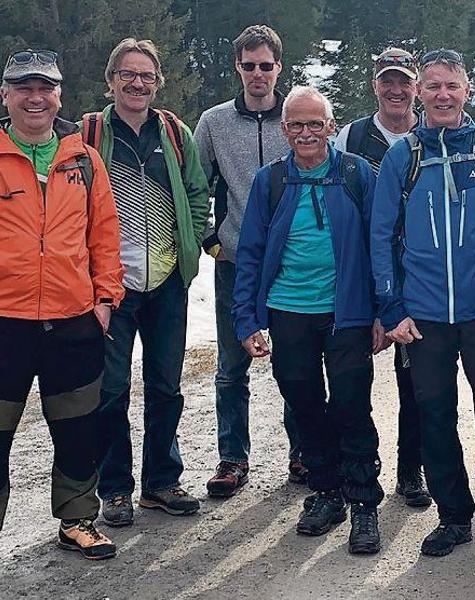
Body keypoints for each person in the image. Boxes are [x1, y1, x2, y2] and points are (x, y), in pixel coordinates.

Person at [369, 48, 475, 580]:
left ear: (467, 92)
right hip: (422, 318)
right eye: (434, 87)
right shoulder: (403, 156)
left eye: (453, 87)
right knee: (434, 416)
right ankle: (454, 517)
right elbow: (381, 236)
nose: (443, 96)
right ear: (420, 92)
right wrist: (391, 307)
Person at [233, 85, 385, 552]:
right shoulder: (270, 180)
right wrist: (245, 319)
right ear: (284, 129)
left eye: (314, 124)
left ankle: (363, 502)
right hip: (287, 310)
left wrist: (384, 310)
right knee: (302, 402)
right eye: (296, 125)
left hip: (348, 313)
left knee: (351, 404)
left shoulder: (360, 174)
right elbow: (251, 252)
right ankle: (326, 490)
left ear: (331, 127)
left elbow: (380, 247)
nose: (305, 133)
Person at [0, 49, 124, 559]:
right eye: (23, 88)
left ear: (59, 96)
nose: (35, 98)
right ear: (5, 95)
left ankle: (77, 519)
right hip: (4, 322)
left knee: (78, 427)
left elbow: (105, 234)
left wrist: (105, 297)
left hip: (73, 319)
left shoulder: (83, 159)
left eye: (45, 88)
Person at [85, 38, 209, 528]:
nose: (138, 83)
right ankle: (115, 490)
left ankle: (161, 482)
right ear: (111, 79)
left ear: (158, 82)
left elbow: (199, 192)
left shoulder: (175, 133)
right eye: (128, 74)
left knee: (165, 385)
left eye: (147, 76)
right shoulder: (89, 133)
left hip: (166, 283)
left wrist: (191, 242)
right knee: (112, 390)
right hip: (111, 286)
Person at [195, 25, 301, 497]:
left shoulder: (295, 118)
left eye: (266, 65)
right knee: (232, 364)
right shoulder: (214, 122)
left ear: (279, 67)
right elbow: (195, 185)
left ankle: (303, 452)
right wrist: (209, 238)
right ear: (238, 66)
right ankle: (232, 457)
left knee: (297, 361)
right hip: (235, 260)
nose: (258, 74)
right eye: (249, 65)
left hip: (293, 263)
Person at [332, 47, 430, 508]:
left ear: (416, 86)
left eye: (404, 81)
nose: (396, 90)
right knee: (354, 377)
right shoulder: (351, 137)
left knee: (414, 379)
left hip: (416, 273)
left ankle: (411, 469)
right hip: (363, 270)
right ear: (375, 84)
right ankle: (353, 468)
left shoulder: (433, 134)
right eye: (387, 81)